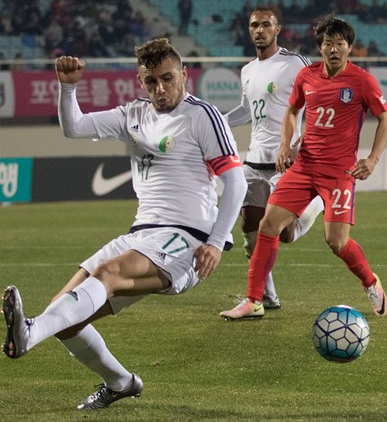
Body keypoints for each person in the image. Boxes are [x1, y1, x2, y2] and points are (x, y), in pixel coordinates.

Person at [2, 38, 246, 410]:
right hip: (140, 234)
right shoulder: (133, 114)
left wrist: (215, 241)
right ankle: (120, 382)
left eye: (167, 78)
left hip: (187, 239)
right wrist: (68, 88)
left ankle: (28, 334)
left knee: (107, 274)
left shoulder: (202, 116)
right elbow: (75, 127)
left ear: (184, 75)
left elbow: (235, 182)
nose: (160, 88)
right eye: (151, 81)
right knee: (64, 315)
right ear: (140, 81)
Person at [221, 13, 387, 320]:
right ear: (320, 47)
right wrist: (285, 144)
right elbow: (291, 111)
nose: (334, 49)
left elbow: (385, 118)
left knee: (336, 242)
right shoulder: (307, 76)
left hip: (339, 173)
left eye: (339, 43)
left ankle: (370, 282)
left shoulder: (362, 80)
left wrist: (372, 159)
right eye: (328, 43)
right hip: (303, 166)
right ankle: (254, 300)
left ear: (349, 47)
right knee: (268, 226)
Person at [219, 7, 324, 316]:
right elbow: (246, 109)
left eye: (266, 24)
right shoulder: (248, 70)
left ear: (278, 29)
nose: (260, 30)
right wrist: (217, 123)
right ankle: (266, 297)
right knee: (250, 226)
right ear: (249, 30)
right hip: (254, 161)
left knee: (284, 233)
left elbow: (319, 99)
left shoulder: (294, 64)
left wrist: (302, 140)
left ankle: (316, 203)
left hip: (285, 162)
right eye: (255, 25)